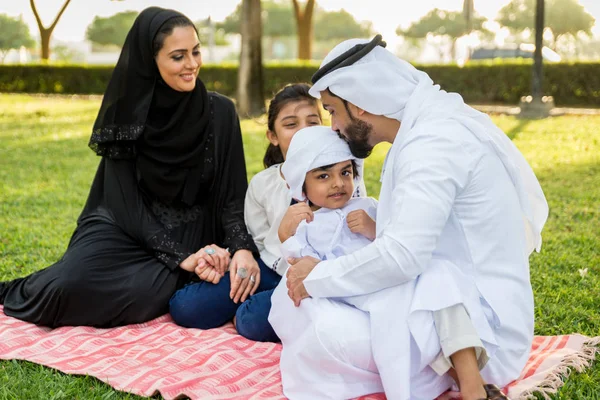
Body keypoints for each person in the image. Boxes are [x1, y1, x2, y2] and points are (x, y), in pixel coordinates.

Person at [282, 35, 549, 400]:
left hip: (480, 333)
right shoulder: (421, 129)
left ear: (358, 103)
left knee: (323, 331)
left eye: (332, 110)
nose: (332, 127)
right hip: (438, 296)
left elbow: (402, 256)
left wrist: (317, 277)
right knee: (307, 309)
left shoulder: (433, 144)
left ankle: (469, 382)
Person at [0, 7, 259, 328]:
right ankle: (19, 288)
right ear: (151, 61)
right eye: (178, 56)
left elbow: (234, 196)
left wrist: (242, 248)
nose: (192, 64)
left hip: (191, 230)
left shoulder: (221, 112)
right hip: (124, 225)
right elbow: (124, 202)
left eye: (195, 52)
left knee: (139, 296)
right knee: (66, 288)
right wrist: (180, 258)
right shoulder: (127, 115)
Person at [171, 83, 368, 340]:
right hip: (269, 268)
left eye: (312, 122)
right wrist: (247, 257)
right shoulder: (264, 184)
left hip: (315, 276)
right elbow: (258, 236)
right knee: (186, 306)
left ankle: (251, 313)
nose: (302, 132)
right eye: (290, 124)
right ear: (273, 136)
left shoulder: (344, 180)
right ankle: (255, 307)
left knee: (252, 320)